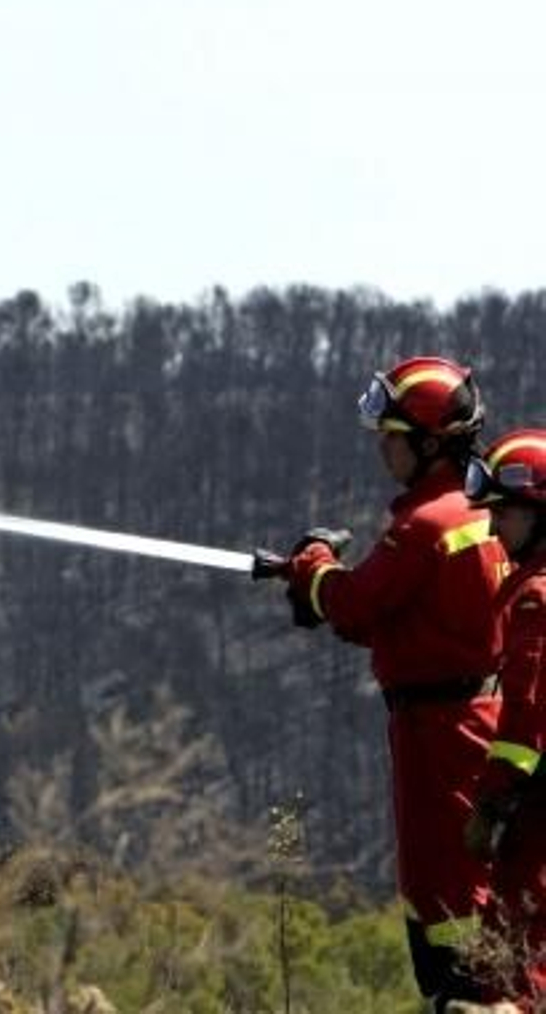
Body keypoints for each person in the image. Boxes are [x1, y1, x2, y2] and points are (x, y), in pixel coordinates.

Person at [285, 355, 508, 1011]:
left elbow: (355, 606)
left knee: (443, 887)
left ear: (431, 444)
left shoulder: (424, 526)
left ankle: (462, 997)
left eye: (393, 434)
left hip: (436, 735)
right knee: (472, 878)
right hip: (477, 717)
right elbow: (405, 619)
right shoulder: (485, 514)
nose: (383, 446)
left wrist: (313, 565)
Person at [462, 430, 546, 1009]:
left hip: (537, 811)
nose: (493, 530)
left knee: (516, 958)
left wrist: (490, 804)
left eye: (504, 514)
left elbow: (526, 722)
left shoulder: (537, 597)